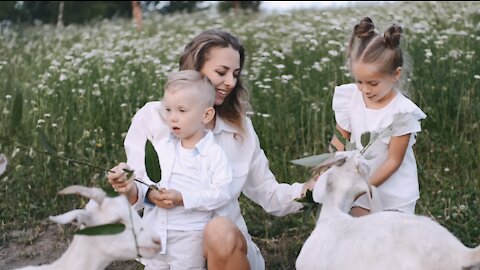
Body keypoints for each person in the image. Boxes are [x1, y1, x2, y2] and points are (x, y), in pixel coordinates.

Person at [107, 29, 313, 270]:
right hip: (171, 250)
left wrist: (313, 190)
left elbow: (269, 193)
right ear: (195, 70)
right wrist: (127, 186)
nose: (230, 82)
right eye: (221, 72)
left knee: (219, 230)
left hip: (225, 252)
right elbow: (139, 192)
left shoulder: (240, 127)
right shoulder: (152, 118)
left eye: (235, 74)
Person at [132, 70, 233, 269]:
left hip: (190, 236)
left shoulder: (213, 154)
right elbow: (142, 179)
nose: (173, 118)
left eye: (182, 110)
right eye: (168, 110)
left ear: (206, 114)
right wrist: (149, 193)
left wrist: (183, 198)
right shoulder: (161, 148)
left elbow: (222, 193)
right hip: (155, 231)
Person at [330, 17, 427, 216]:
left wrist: (361, 189)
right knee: (358, 233)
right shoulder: (350, 97)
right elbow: (339, 140)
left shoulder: (401, 113)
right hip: (357, 189)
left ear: (395, 74)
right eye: (360, 82)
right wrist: (330, 172)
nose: (365, 90)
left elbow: (393, 161)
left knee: (390, 241)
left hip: (393, 193)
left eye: (373, 83)